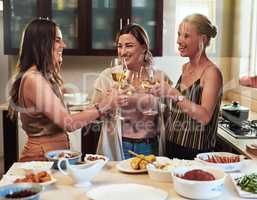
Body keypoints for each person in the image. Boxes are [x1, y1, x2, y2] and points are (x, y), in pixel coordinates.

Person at [8, 18, 125, 162]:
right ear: (42, 43)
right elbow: (68, 123)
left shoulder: (42, 76)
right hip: (40, 159)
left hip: (51, 156)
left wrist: (103, 103)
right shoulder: (34, 79)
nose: (63, 45)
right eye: (58, 40)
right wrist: (104, 105)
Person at [92, 23, 172, 160]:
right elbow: (94, 116)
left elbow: (169, 116)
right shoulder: (107, 76)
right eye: (119, 46)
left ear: (144, 47)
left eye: (129, 45)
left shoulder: (160, 77)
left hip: (150, 147)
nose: (122, 52)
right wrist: (106, 103)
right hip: (119, 146)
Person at [151, 13, 223, 160]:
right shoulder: (185, 68)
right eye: (179, 35)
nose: (179, 41)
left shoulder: (211, 73)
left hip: (195, 153)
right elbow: (181, 108)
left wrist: (172, 93)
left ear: (202, 39)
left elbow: (204, 116)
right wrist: (162, 94)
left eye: (186, 36)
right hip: (171, 145)